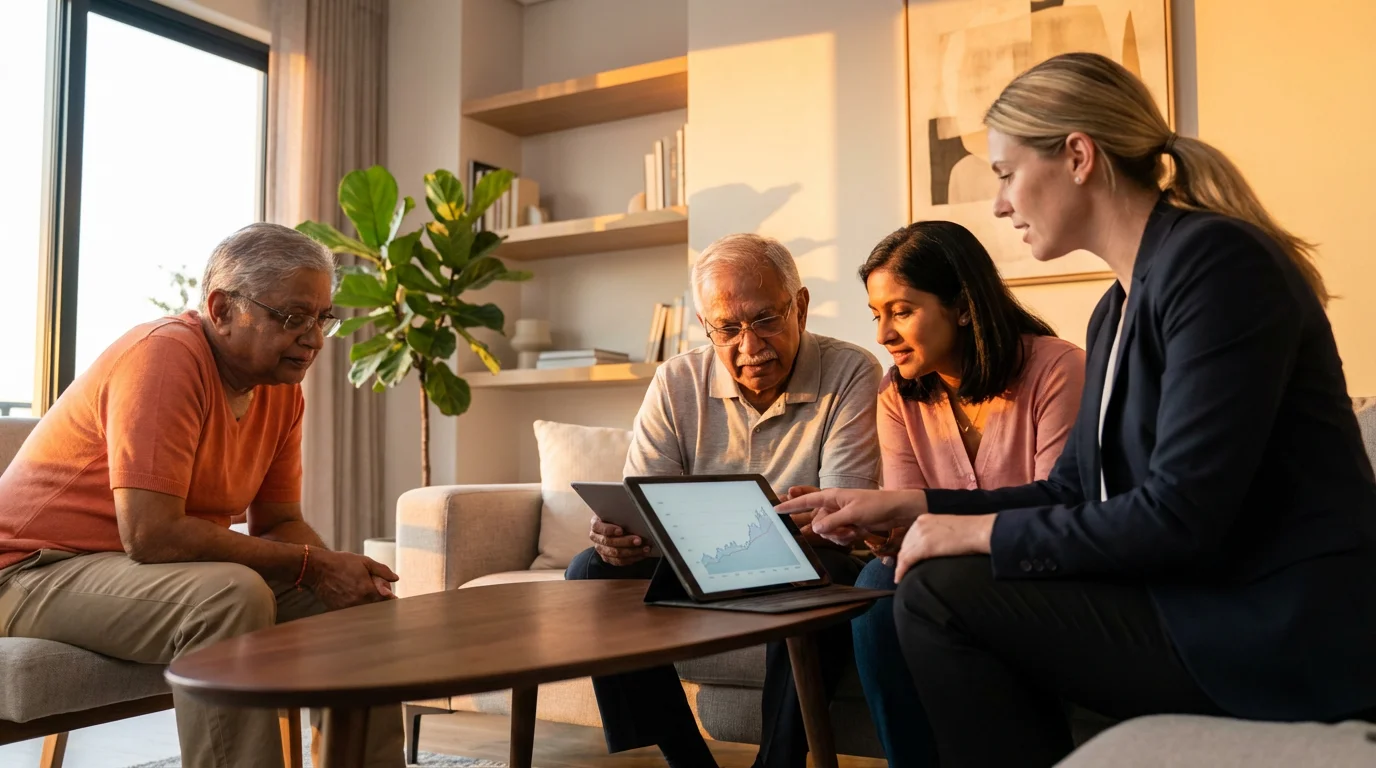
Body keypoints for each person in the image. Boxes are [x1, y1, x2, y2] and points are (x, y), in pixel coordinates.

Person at [778, 52, 1376, 768]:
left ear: (1079, 156)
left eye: (1004, 175)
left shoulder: (1217, 265)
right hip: (1201, 605)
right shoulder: (1116, 307)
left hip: (1277, 629)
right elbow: (1073, 491)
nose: (999, 204)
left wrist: (971, 535)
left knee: (942, 596)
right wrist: (911, 507)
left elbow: (1182, 516)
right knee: (931, 586)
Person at [0, 223, 405, 768]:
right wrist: (311, 566)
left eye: (322, 319)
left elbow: (281, 522)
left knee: (360, 607)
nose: (312, 338)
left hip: (130, 568)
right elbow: (152, 533)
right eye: (292, 317)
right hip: (30, 570)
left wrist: (332, 569)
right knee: (230, 596)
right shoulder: (164, 357)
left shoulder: (279, 391)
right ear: (221, 309)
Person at [564, 233, 882, 768]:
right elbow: (644, 500)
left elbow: (842, 512)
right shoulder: (675, 380)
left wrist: (800, 521)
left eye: (764, 320)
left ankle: (777, 763)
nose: (749, 346)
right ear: (706, 326)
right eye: (727, 329)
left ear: (799, 306)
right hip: (699, 560)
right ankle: (687, 760)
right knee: (588, 572)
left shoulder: (852, 371)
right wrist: (621, 538)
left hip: (803, 558)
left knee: (833, 572)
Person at [852, 220, 1084, 766]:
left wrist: (919, 523)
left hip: (1042, 564)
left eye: (901, 311)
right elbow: (905, 520)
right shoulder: (898, 395)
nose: (883, 334)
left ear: (962, 306)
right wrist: (879, 533)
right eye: (876, 315)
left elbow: (1062, 505)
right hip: (945, 567)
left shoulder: (1057, 367)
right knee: (876, 584)